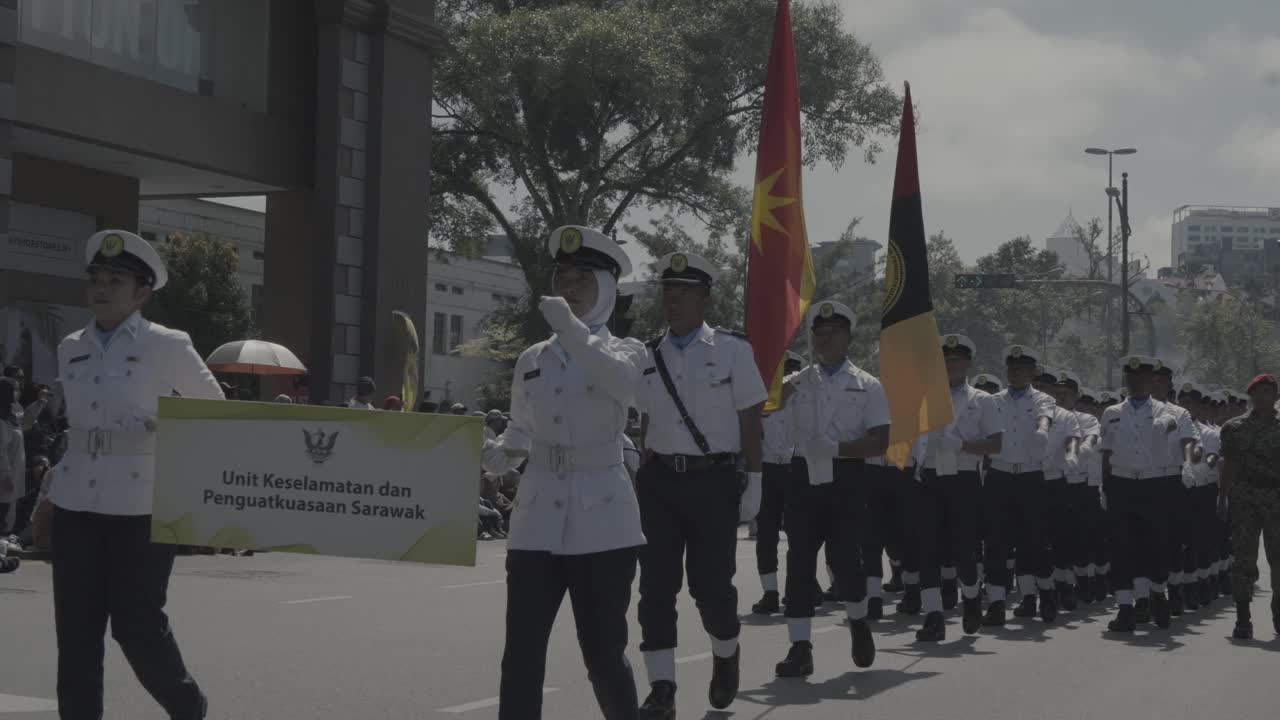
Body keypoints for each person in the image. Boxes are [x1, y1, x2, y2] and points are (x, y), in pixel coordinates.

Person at [36, 229, 223, 719]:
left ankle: (187, 706)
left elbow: (216, 413)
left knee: (137, 626)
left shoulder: (168, 345)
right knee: (75, 634)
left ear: (142, 292)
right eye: (95, 278)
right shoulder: (71, 345)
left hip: (141, 508)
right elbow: (75, 431)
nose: (101, 288)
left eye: (115, 280)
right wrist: (50, 493)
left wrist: (161, 429)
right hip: (77, 503)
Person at [481, 225, 646, 719]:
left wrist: (572, 330)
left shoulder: (627, 351)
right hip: (536, 521)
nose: (569, 287)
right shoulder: (535, 358)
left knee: (602, 656)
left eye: (582, 279)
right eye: (563, 277)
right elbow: (520, 432)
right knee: (522, 657)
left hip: (603, 522)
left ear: (608, 290)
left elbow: (623, 387)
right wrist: (499, 454)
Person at [634, 251, 765, 719]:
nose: (674, 300)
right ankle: (662, 687)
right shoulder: (649, 353)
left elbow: (750, 417)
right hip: (660, 482)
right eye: (668, 292)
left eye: (685, 292)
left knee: (711, 587)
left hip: (713, 482)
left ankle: (726, 653)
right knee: (654, 588)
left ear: (705, 298)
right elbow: (647, 418)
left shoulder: (732, 350)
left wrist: (755, 479)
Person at [769, 300, 885, 676]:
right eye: (819, 333)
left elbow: (881, 440)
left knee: (846, 560)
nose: (825, 338)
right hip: (803, 476)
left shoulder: (867, 385)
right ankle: (800, 647)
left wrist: (837, 448)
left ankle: (858, 621)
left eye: (833, 332)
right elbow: (761, 407)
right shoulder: (796, 382)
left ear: (849, 337)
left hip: (847, 478)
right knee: (799, 561)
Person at [913, 334, 1002, 641]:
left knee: (963, 548)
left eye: (957, 361)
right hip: (930, 476)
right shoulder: (924, 398)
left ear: (968, 364)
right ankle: (934, 615)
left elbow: (996, 444)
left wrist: (961, 443)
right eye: (946, 361)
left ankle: (972, 599)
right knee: (927, 548)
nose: (951, 366)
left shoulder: (983, 400)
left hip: (963, 477)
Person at [1101, 355, 1178, 633]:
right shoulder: (1111, 412)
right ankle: (1125, 608)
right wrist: (1103, 486)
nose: (1135, 383)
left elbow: (1172, 431)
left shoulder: (1167, 412)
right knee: (1121, 548)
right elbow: (1105, 452)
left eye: (1142, 379)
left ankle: (1157, 594)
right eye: (1131, 379)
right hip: (1121, 484)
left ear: (1152, 381)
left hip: (1153, 484)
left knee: (1154, 547)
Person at [980, 344, 1055, 627]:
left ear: (1033, 372)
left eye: (1021, 368)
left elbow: (1044, 417)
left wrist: (1041, 431)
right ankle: (997, 603)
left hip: (1030, 476)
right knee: (996, 543)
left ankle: (1046, 592)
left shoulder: (1043, 399)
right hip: (999, 475)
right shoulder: (994, 399)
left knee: (1034, 542)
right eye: (1011, 368)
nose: (1015, 372)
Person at [1218, 373, 1280, 640]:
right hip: (1244, 498)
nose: (1263, 396)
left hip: (1277, 496)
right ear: (1251, 395)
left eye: (1268, 392)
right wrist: (1222, 498)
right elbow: (1228, 465)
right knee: (1243, 559)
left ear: (1276, 397)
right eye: (1258, 391)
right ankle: (1243, 617)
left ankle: (1278, 613)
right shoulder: (1233, 428)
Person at [751, 351, 803, 616]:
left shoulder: (801, 395)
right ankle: (770, 592)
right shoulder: (760, 398)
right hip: (768, 470)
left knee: (799, 532)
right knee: (767, 533)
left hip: (795, 468)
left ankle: (805, 586)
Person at [0, 377, 24, 535]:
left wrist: (39, 404)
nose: (18, 393)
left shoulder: (11, 416)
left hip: (13, 473)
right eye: (15, 389)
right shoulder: (1, 420)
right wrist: (5, 476)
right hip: (4, 478)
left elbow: (25, 422)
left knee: (7, 515)